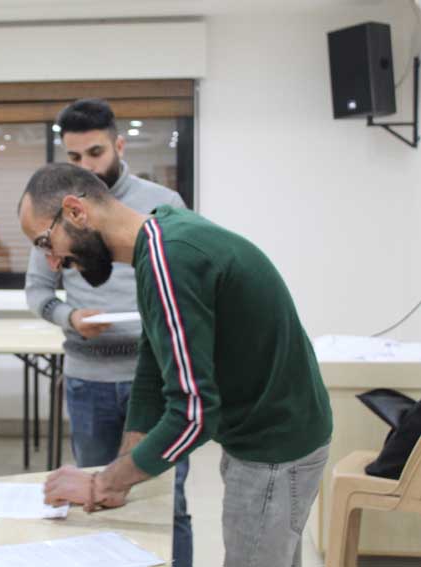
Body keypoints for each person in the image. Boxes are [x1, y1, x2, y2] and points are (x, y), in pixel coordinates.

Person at [18, 163, 332, 567]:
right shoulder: (161, 238)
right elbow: (152, 370)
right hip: (273, 431)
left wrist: (101, 484)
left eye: (46, 243)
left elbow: (194, 415)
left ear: (76, 212)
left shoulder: (170, 259)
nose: (51, 263)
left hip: (274, 445)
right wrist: (120, 474)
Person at [24, 98, 192, 566]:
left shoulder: (164, 205)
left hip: (154, 377)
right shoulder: (55, 213)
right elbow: (38, 291)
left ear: (119, 145)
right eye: (74, 157)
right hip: (89, 378)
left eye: (95, 153)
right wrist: (70, 317)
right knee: (95, 497)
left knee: (167, 499)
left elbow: (184, 288)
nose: (86, 167)